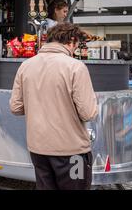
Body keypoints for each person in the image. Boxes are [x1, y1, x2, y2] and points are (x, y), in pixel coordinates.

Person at [10, 23, 98, 190]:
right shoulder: (75, 67)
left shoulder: (26, 66)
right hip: (72, 153)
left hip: (38, 150)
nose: (75, 50)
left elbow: (15, 107)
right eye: (77, 45)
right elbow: (88, 113)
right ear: (72, 41)